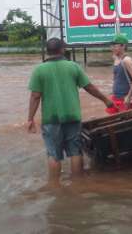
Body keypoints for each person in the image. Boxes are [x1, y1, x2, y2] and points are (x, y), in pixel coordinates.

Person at [27, 38, 113, 181]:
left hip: (51, 119)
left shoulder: (39, 70)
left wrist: (30, 119)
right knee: (75, 152)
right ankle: (77, 183)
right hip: (73, 116)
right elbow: (89, 87)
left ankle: (55, 186)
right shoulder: (73, 66)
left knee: (53, 154)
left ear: (47, 51)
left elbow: (35, 96)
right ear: (63, 49)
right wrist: (106, 100)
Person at [107, 34, 132, 114]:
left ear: (123, 46)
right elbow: (117, 77)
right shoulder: (116, 59)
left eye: (115, 46)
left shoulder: (127, 60)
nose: (112, 48)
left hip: (124, 99)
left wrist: (129, 97)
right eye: (112, 46)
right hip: (116, 97)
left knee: (123, 122)